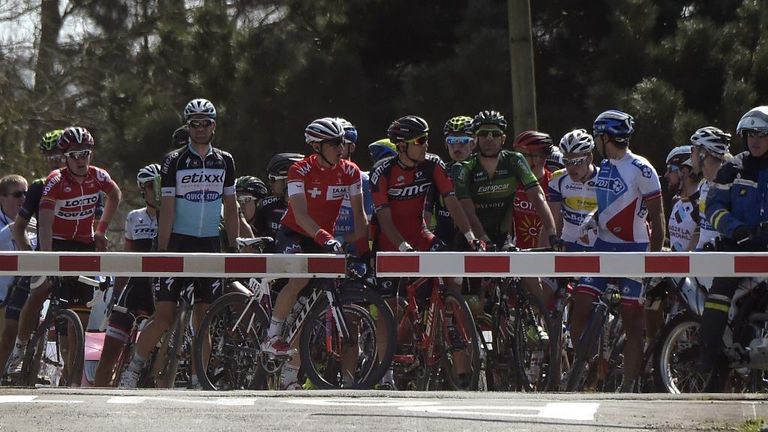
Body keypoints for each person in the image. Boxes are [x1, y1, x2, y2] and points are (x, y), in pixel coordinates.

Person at [119, 98, 238, 389]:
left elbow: (231, 203)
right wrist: (162, 249)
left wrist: (233, 246)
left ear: (214, 126)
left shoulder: (225, 160)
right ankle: (132, 371)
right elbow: (168, 205)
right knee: (164, 316)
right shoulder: (173, 160)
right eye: (194, 123)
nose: (199, 129)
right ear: (187, 127)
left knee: (204, 317)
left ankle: (199, 379)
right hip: (178, 242)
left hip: (209, 243)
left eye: (205, 123)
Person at [6, 127, 122, 383]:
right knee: (41, 289)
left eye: (86, 154)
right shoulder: (54, 181)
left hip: (83, 246)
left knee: (79, 317)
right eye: (76, 155)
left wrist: (100, 230)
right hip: (54, 244)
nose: (82, 160)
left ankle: (69, 378)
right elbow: (44, 225)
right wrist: (46, 261)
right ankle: (20, 348)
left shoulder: (98, 176)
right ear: (65, 157)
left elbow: (115, 194)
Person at [261, 117, 368, 390]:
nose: (341, 148)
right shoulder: (300, 170)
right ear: (317, 146)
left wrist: (357, 246)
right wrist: (325, 238)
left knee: (306, 315)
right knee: (299, 277)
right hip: (295, 232)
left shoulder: (351, 171)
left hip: (325, 238)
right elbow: (299, 213)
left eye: (343, 141)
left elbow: (360, 216)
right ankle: (272, 335)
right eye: (334, 143)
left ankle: (288, 380)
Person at [574, 109, 665, 392]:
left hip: (633, 250)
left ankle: (627, 387)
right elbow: (607, 206)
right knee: (579, 305)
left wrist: (652, 259)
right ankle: (590, 365)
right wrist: (591, 220)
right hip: (602, 246)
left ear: (605, 137)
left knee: (632, 322)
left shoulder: (642, 168)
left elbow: (657, 216)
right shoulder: (606, 165)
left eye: (596, 136)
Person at [696, 106, 768, 383]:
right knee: (720, 293)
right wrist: (735, 229)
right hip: (736, 246)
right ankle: (706, 353)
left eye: (762, 134)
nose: (755, 139)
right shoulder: (733, 168)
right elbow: (713, 206)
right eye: (750, 134)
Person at [0, 130, 65, 376]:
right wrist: (31, 255)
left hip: (69, 254)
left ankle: (71, 383)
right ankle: (16, 359)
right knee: (12, 327)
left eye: (59, 154)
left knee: (68, 328)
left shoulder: (87, 184)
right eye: (49, 155)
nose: (55, 160)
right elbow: (20, 227)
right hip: (38, 260)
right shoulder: (40, 186)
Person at [93, 164, 160, 386]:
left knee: (158, 354)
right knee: (110, 350)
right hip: (134, 289)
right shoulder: (134, 217)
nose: (156, 191)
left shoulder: (172, 217)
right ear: (143, 189)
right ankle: (97, 399)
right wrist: (116, 295)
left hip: (158, 292)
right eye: (151, 186)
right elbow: (127, 257)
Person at [455, 111, 558, 251]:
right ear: (475, 138)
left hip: (503, 239)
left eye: (495, 134)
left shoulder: (514, 161)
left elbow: (538, 197)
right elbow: (467, 211)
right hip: (472, 239)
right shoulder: (463, 167)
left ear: (503, 139)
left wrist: (552, 234)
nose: (489, 139)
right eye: (484, 134)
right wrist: (484, 240)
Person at [548, 129, 599, 252]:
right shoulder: (558, 179)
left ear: (589, 158)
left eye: (577, 161)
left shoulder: (605, 179)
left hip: (599, 246)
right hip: (569, 244)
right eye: (566, 162)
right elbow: (552, 222)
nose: (571, 167)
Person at [511, 130, 559, 249]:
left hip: (547, 254)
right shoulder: (513, 183)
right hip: (518, 253)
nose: (516, 159)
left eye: (522, 155)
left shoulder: (555, 184)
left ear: (539, 159)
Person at [689, 127, 732, 251]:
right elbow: (701, 227)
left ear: (703, 154)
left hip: (720, 260)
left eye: (693, 150)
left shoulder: (730, 185)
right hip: (702, 257)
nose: (690, 155)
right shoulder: (703, 184)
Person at [0, 176, 29, 334]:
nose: (24, 198)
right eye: (18, 194)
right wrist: (13, 228)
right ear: (2, 199)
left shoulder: (34, 223)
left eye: (27, 194)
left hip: (25, 300)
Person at [257, 153, 304, 240]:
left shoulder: (312, 207)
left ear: (288, 179)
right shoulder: (266, 206)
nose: (269, 183)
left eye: (273, 179)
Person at [664, 146, 700, 252]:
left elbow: (693, 249)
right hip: (675, 266)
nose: (666, 175)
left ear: (683, 171)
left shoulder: (700, 205)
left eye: (670, 169)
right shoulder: (676, 201)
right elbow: (676, 242)